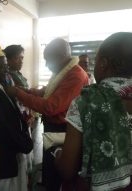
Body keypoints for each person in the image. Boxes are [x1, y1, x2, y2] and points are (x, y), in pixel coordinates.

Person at [5, 38, 89, 191]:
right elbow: (45, 93)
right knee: (49, 166)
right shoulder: (63, 72)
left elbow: (50, 106)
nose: (46, 65)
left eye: (48, 60)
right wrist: (25, 91)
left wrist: (17, 92)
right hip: (54, 128)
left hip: (63, 131)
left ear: (61, 57)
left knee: (57, 169)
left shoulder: (75, 75)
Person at [56, 32, 132, 191]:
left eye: (95, 61)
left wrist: (57, 155)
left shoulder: (86, 102)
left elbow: (67, 170)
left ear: (103, 64)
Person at [0, 44, 33, 191]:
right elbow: (3, 128)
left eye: (6, 66)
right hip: (7, 157)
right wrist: (26, 144)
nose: (6, 69)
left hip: (16, 151)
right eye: (2, 66)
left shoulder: (2, 86)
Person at [4, 44, 35, 191]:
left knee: (27, 159)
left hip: (26, 118)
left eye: (22, 58)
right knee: (21, 159)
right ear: (8, 60)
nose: (21, 61)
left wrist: (31, 113)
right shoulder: (7, 77)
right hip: (19, 120)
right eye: (17, 58)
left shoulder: (18, 75)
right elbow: (15, 102)